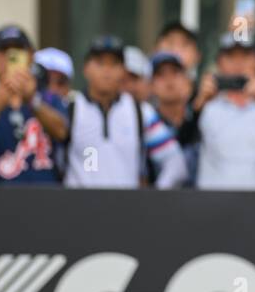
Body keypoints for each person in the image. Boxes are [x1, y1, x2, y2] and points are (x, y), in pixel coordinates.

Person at [62, 36, 188, 189]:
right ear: (86, 68)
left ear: (123, 70)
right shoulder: (70, 108)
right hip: (78, 209)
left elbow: (175, 162)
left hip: (126, 209)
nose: (107, 71)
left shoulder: (140, 111)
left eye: (114, 64)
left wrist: (155, 197)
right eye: (100, 63)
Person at [0, 26, 68, 185]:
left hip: (46, 203)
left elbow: (62, 133)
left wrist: (32, 100)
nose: (10, 57)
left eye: (18, 50)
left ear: (31, 56)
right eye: (4, 51)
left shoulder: (51, 100)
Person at [190, 33, 255, 190]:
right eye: (231, 56)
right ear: (219, 62)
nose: (238, 63)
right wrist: (199, 105)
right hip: (214, 204)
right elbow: (183, 141)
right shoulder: (206, 105)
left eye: (245, 56)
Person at [149, 50, 198, 186]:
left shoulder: (200, 121)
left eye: (175, 73)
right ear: (151, 85)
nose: (169, 80)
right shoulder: (145, 124)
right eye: (161, 75)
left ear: (187, 81)